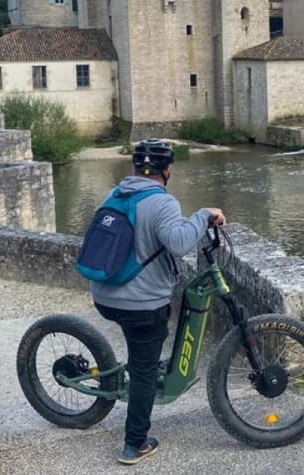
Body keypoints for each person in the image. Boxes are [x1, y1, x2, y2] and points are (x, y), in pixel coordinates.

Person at [91, 138, 225, 466]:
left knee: (144, 350)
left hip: (104, 294)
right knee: (144, 370)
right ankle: (134, 444)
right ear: (168, 170)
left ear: (136, 168)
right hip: (139, 304)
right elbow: (179, 244)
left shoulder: (115, 194)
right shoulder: (163, 202)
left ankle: (143, 367)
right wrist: (203, 214)